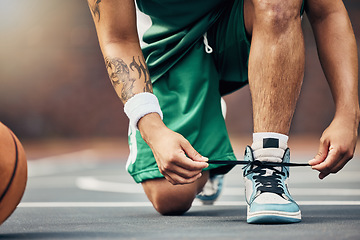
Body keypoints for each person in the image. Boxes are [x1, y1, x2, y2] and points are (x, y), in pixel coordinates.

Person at [87, 0, 359, 223]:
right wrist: (153, 129)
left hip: (247, 25)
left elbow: (328, 12)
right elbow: (117, 38)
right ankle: (210, 137)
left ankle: (268, 164)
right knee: (170, 197)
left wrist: (348, 115)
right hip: (170, 45)